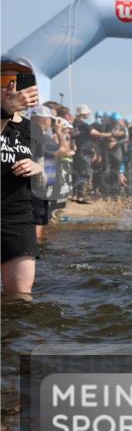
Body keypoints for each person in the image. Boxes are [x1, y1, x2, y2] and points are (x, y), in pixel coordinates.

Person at [1, 57, 42, 299]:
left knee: (20, 297)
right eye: (5, 80)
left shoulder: (31, 129)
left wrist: (38, 167)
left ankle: (13, 337)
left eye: (17, 82)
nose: (11, 87)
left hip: (18, 217)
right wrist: (5, 111)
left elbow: (51, 171)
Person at [29, 105, 73, 241]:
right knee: (39, 221)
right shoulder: (42, 137)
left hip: (33, 182)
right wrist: (60, 132)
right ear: (44, 120)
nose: (51, 123)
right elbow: (65, 151)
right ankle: (38, 247)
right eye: (50, 120)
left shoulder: (28, 132)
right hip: (38, 186)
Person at [71, 104, 112, 203]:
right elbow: (96, 134)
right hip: (84, 152)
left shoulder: (74, 124)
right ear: (84, 113)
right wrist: (111, 134)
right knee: (84, 173)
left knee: (77, 173)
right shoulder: (84, 125)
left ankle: (75, 195)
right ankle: (81, 196)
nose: (89, 114)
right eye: (87, 113)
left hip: (77, 151)